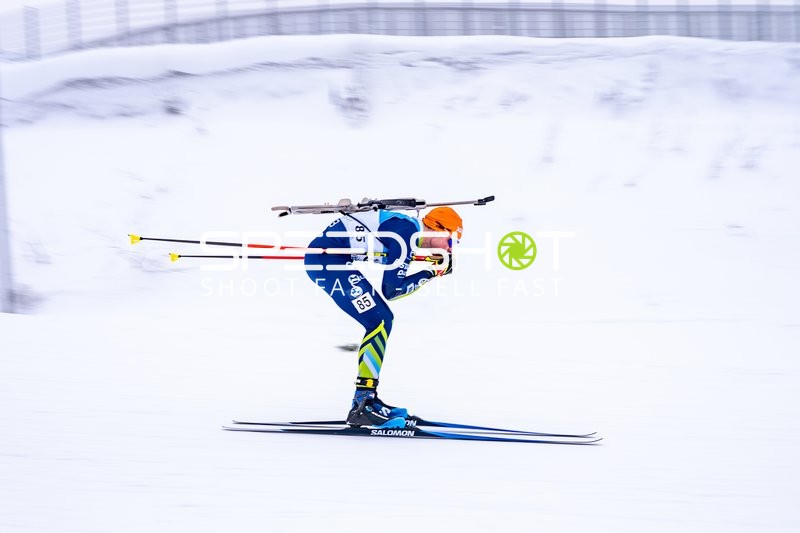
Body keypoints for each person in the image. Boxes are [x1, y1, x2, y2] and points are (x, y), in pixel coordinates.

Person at [303, 206, 463, 428]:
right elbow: (392, 290)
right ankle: (362, 405)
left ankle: (367, 399)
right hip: (327, 264)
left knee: (381, 319)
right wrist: (431, 273)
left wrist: (427, 265)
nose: (450, 248)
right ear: (437, 228)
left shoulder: (406, 230)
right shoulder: (406, 234)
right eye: (452, 240)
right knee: (379, 320)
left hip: (332, 261)